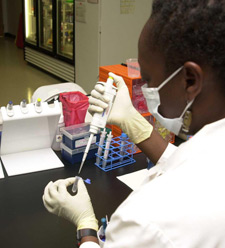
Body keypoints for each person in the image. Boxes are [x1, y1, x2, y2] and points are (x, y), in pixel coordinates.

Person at [43, 0, 225, 247]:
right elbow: (192, 163)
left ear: (190, 80)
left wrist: (85, 225)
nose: (147, 90)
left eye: (148, 80)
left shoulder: (147, 219)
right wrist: (131, 120)